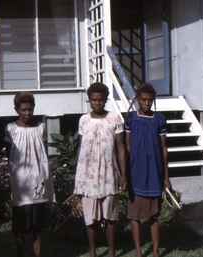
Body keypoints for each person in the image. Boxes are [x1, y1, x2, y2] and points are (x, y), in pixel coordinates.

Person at [74, 82, 127, 257]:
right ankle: (92, 251)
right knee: (90, 217)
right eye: (94, 100)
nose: (97, 103)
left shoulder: (115, 118)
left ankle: (111, 251)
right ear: (89, 100)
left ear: (105, 100)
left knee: (111, 216)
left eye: (101, 100)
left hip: (109, 173)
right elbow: (81, 147)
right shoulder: (84, 120)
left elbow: (121, 148)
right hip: (87, 175)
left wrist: (123, 174)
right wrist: (79, 176)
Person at [4, 92, 55, 257]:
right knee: (20, 228)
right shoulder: (11, 129)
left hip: (37, 181)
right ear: (17, 110)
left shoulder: (40, 127)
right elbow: (8, 155)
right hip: (21, 184)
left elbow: (41, 153)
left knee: (37, 226)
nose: (27, 113)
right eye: (24, 110)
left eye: (30, 109)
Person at [124, 83, 172, 257]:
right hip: (135, 171)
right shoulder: (131, 118)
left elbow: (164, 148)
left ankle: (155, 252)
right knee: (134, 215)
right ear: (137, 99)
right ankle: (138, 251)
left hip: (154, 172)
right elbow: (127, 146)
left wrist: (166, 177)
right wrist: (125, 173)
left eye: (150, 100)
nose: (147, 103)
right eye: (143, 99)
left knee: (154, 215)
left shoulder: (158, 119)